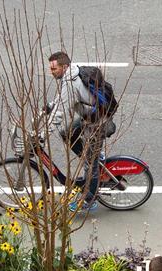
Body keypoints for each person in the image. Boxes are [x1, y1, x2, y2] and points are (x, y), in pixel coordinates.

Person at [47, 51, 116, 213]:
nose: (51, 72)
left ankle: (89, 200)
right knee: (67, 133)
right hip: (91, 115)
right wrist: (49, 106)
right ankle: (94, 158)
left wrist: (43, 134)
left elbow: (60, 112)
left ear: (64, 67)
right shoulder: (71, 73)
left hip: (98, 122)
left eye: (54, 69)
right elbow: (62, 98)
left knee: (89, 165)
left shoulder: (71, 83)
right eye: (50, 69)